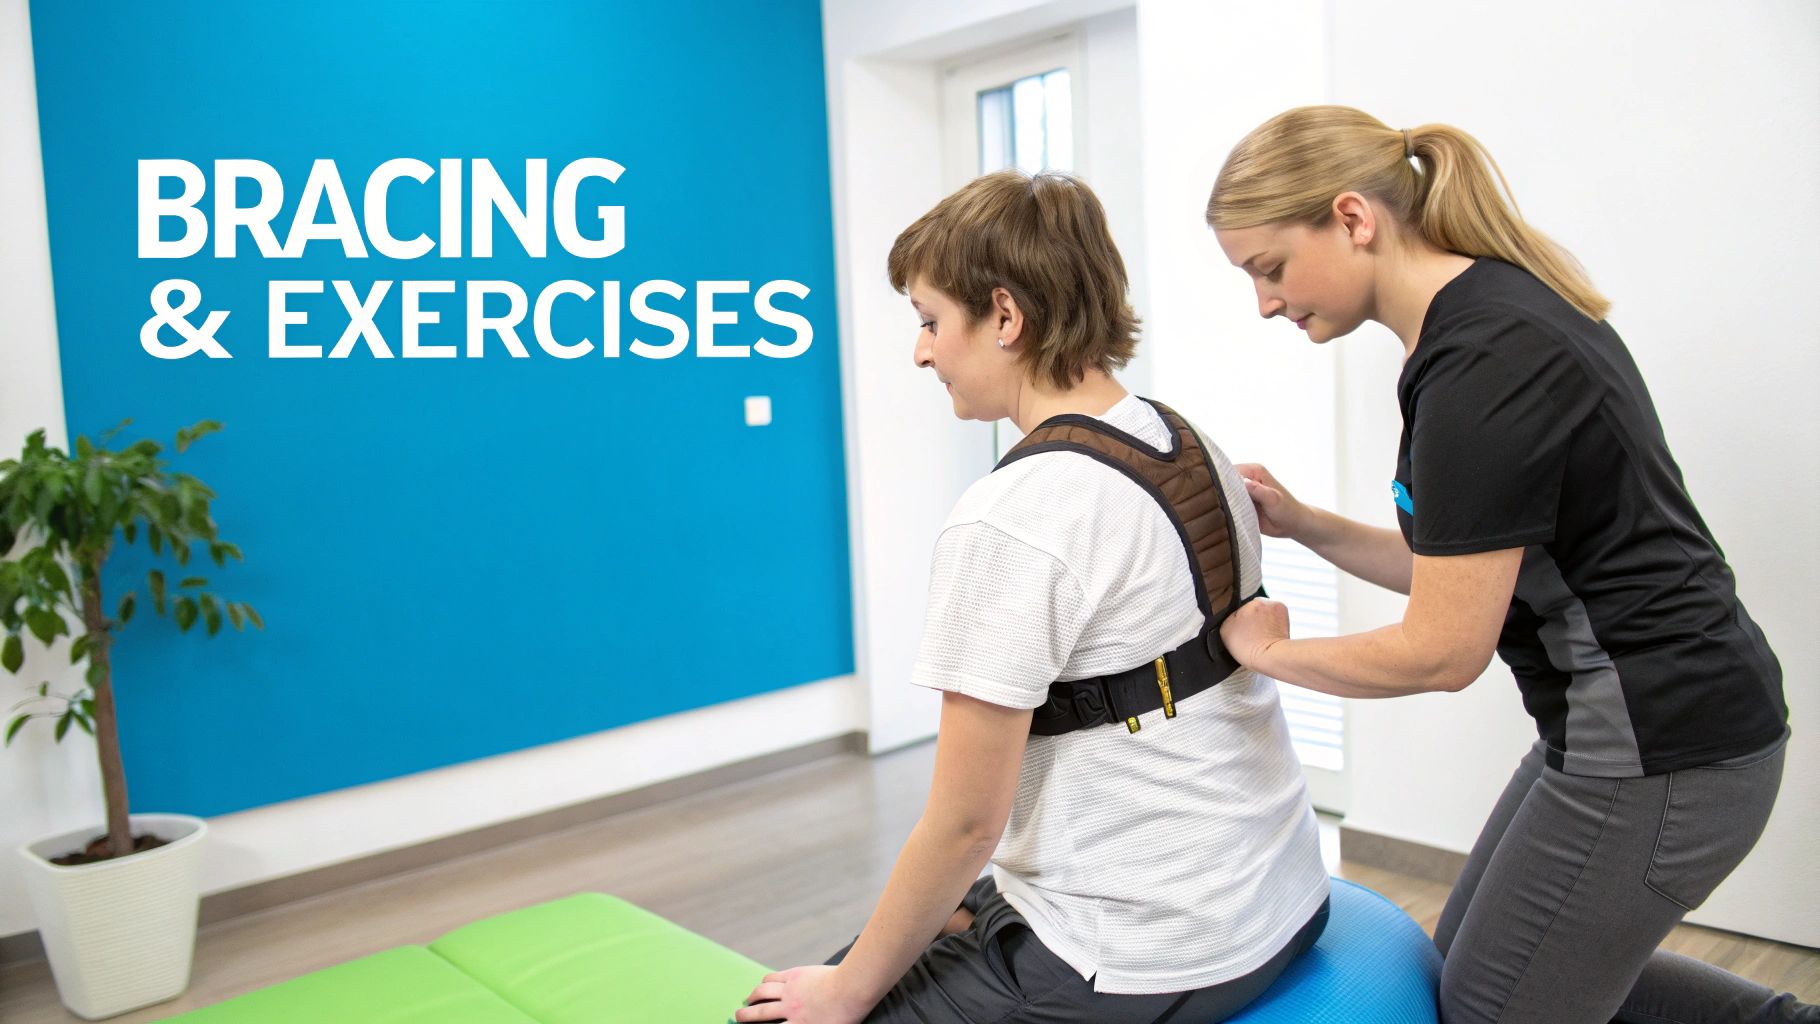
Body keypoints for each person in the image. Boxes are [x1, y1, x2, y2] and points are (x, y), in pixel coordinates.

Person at [1206, 104, 1811, 1024]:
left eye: (1270, 268)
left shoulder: (1483, 362)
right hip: (1640, 729)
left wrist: (1267, 655)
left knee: (1493, 1007)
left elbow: (1445, 650)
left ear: (1353, 218)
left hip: (1666, 744)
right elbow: (1459, 566)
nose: (1265, 303)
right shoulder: (1481, 319)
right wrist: (1304, 524)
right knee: (1479, 970)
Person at [736, 169, 1330, 1024]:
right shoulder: (1183, 439)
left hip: (1150, 951)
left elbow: (966, 825)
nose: (922, 353)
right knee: (899, 934)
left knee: (793, 1007)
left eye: (931, 322)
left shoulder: (1015, 515)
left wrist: (845, 992)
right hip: (1277, 895)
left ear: (1005, 317)